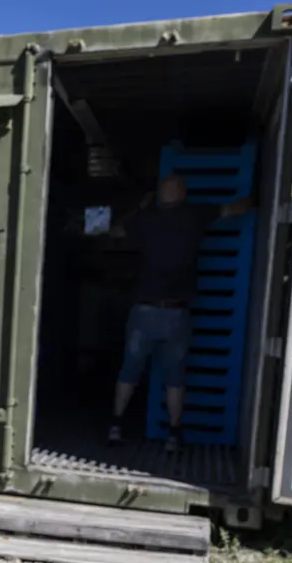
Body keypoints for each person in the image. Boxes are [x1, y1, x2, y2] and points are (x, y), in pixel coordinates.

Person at [107, 174, 252, 452]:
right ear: (183, 193)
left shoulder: (144, 219)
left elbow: (114, 231)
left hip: (144, 310)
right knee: (175, 376)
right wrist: (258, 195)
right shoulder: (196, 214)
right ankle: (173, 435)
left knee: (130, 369)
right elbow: (237, 208)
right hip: (176, 312)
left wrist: (139, 207)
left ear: (160, 194)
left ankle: (115, 426)